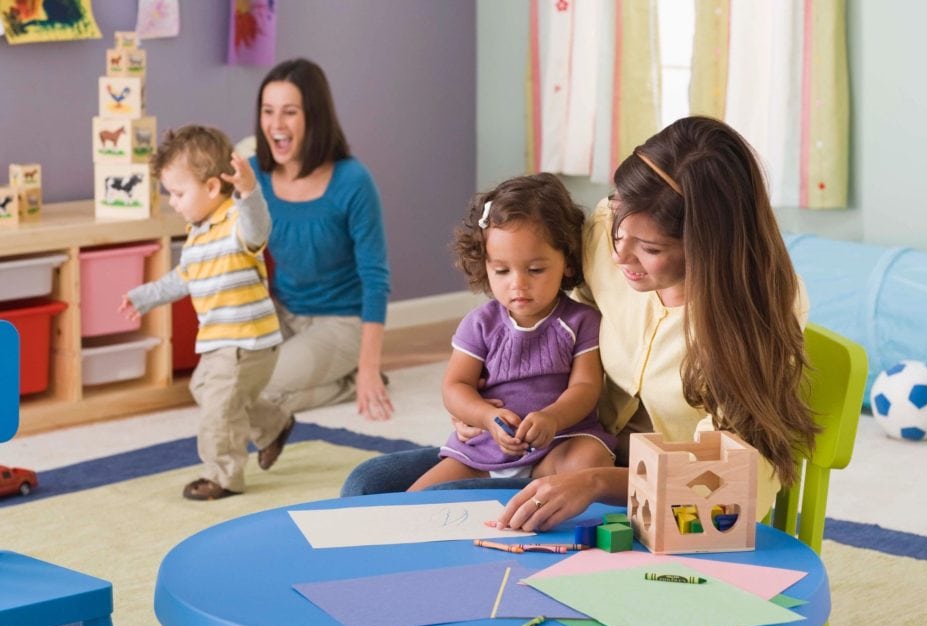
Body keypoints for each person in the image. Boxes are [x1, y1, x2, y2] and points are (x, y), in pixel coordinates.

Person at [342, 115, 816, 531]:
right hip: (565, 446)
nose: (618, 255)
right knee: (367, 485)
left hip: (657, 492)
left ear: (707, 250)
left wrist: (595, 482)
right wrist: (478, 402)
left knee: (431, 512)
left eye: (649, 249)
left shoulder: (757, 312)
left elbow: (733, 485)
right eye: (619, 228)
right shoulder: (608, 231)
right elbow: (547, 315)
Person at [408, 174, 616, 491]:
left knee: (591, 461)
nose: (517, 284)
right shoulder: (480, 323)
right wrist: (485, 418)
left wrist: (553, 418)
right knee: (415, 501)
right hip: (481, 454)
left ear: (567, 263)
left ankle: (534, 493)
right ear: (484, 264)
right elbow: (455, 386)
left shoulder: (582, 321)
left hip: (558, 446)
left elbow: (586, 387)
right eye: (502, 270)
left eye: (535, 269)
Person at [120, 125, 287, 500]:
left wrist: (248, 191)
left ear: (212, 187)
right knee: (205, 390)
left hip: (247, 340)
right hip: (219, 342)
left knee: (220, 410)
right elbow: (184, 278)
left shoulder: (235, 224)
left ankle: (223, 476)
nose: (173, 203)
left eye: (178, 193)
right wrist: (144, 296)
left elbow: (258, 226)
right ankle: (273, 425)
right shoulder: (197, 233)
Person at [247, 57, 393, 470]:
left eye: (289, 112)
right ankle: (337, 380)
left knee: (260, 390)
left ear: (314, 117)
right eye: (268, 110)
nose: (276, 124)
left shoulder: (352, 181)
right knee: (220, 381)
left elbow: (375, 278)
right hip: (283, 312)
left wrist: (369, 367)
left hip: (340, 322)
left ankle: (352, 379)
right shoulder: (256, 175)